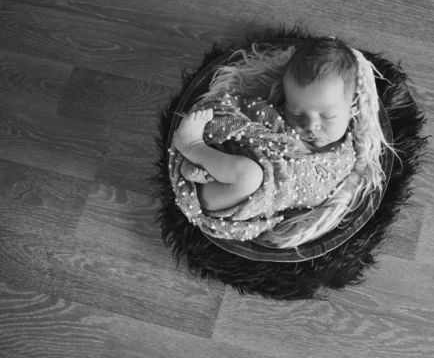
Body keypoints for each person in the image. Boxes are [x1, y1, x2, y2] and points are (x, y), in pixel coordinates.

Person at [168, 37, 394, 247]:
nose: (310, 125)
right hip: (220, 169)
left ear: (353, 105)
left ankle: (193, 148)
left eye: (326, 116)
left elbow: (312, 197)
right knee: (246, 170)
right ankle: (196, 153)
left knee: (250, 176)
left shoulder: (343, 161)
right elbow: (243, 118)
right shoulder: (275, 120)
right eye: (296, 114)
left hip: (224, 203)